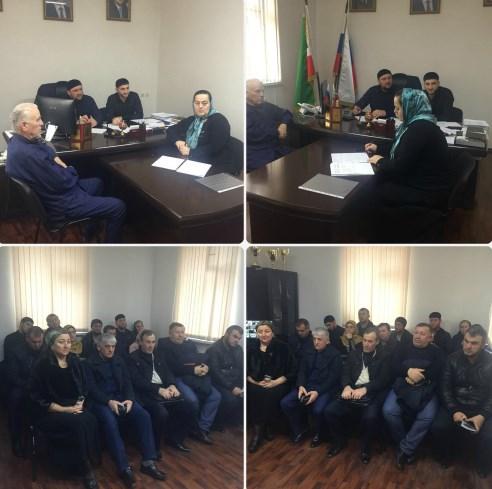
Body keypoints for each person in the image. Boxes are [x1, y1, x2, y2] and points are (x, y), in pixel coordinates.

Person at [6, 103, 126, 243]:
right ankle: (110, 250)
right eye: (38, 120)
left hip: (53, 195)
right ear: (24, 126)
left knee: (97, 183)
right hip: (62, 204)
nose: (42, 123)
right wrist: (69, 168)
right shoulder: (31, 155)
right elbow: (64, 182)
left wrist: (55, 158)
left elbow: (44, 147)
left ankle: (89, 230)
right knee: (118, 207)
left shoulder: (17, 141)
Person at [85, 333, 166, 487]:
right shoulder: (89, 363)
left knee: (143, 415)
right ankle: (123, 468)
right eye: (107, 346)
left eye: (113, 346)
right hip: (101, 401)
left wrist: (130, 399)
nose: (111, 350)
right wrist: (108, 402)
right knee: (110, 422)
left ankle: (148, 462)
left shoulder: (119, 360)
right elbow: (91, 389)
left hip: (122, 398)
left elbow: (128, 382)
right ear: (98, 347)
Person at [29, 331, 100, 489]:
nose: (66, 345)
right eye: (61, 342)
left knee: (90, 419)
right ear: (51, 345)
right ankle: (85, 469)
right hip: (50, 411)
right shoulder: (42, 365)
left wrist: (80, 403)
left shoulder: (74, 361)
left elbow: (84, 387)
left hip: (74, 406)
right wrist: (65, 409)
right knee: (78, 424)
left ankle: (85, 461)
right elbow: (37, 397)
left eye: (68, 341)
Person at [365, 89, 451, 214]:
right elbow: (402, 148)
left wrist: (380, 160)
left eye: (398, 108)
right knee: (378, 179)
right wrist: (378, 148)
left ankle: (377, 222)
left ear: (410, 107)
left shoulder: (418, 130)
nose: (394, 111)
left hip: (426, 191)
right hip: (424, 181)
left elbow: (400, 167)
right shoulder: (419, 123)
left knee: (371, 188)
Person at [431, 324, 492, 478]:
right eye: (466, 341)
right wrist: (454, 410)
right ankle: (446, 456)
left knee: (489, 436)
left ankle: (483, 464)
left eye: (474, 343)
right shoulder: (452, 359)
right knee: (438, 427)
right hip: (456, 404)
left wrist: (482, 415)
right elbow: (444, 388)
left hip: (482, 407)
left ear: (483, 344)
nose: (468, 346)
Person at [382, 323, 445, 470]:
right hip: (402, 385)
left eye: (422, 334)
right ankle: (407, 446)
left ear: (430, 338)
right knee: (388, 411)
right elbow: (393, 366)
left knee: (427, 416)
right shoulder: (401, 348)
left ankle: (405, 449)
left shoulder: (438, 352)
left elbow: (438, 372)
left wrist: (419, 377)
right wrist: (407, 372)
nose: (417, 336)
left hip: (426, 388)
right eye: (416, 332)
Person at [325, 327, 391, 463]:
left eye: (370, 341)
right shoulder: (354, 354)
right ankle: (339, 441)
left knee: (370, 418)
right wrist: (346, 386)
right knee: (330, 411)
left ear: (377, 342)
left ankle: (366, 448)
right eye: (364, 340)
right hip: (352, 390)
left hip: (371, 393)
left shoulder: (385, 356)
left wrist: (366, 389)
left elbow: (383, 379)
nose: (366, 344)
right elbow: (345, 373)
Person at [128, 330, 193, 455]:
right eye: (147, 342)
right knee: (161, 413)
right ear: (140, 342)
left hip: (163, 390)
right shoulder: (133, 358)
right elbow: (137, 381)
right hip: (145, 393)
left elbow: (167, 372)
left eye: (153, 342)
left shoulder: (158, 355)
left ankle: (175, 439)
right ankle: (154, 447)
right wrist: (159, 390)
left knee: (187, 406)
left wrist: (172, 385)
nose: (150, 345)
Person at [158, 322, 221, 445]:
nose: (180, 335)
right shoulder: (163, 345)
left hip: (193, 377)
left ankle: (202, 429)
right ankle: (192, 428)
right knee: (192, 401)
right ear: (170, 334)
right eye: (177, 332)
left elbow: (197, 358)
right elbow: (169, 367)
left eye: (182, 332)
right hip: (176, 378)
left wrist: (204, 367)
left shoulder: (189, 344)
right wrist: (192, 370)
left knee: (216, 396)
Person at [281, 328, 341, 448]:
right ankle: (298, 430)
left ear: (327, 341)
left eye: (319, 339)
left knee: (318, 410)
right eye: (314, 339)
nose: (316, 342)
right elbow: (302, 371)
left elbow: (333, 379)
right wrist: (301, 385)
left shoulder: (335, 355)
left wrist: (317, 392)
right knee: (286, 403)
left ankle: (319, 434)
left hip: (324, 388)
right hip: (306, 385)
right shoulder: (308, 351)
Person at [247, 321, 296, 453]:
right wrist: (256, 382)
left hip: (279, 382)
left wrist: (275, 382)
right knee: (255, 392)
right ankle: (258, 432)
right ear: (256, 334)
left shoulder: (283, 347)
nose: (264, 334)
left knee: (270, 394)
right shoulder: (250, 347)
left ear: (272, 333)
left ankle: (266, 427)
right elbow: (245, 371)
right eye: (260, 331)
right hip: (255, 382)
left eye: (267, 331)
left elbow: (292, 370)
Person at [166, 89, 231, 166]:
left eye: (204, 103)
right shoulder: (192, 119)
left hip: (211, 162)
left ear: (210, 104)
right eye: (197, 103)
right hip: (189, 159)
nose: (200, 106)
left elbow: (215, 147)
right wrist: (178, 141)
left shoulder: (219, 121)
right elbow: (171, 129)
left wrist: (190, 152)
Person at [6, 326, 44, 457]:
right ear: (27, 339)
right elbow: (13, 376)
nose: (37, 345)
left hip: (40, 385)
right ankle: (16, 440)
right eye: (34, 342)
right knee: (14, 400)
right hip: (22, 385)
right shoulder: (15, 351)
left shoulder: (46, 350)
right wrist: (29, 386)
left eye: (40, 342)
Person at [246, 78, 293, 171]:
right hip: (257, 153)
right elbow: (258, 136)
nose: (262, 95)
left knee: (298, 158)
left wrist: (283, 124)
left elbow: (286, 113)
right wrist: (277, 131)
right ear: (246, 93)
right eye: (257, 91)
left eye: (263, 91)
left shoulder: (266, 106)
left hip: (276, 148)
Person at [207, 325, 244, 427]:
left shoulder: (238, 349)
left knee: (245, 396)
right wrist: (232, 387)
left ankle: (234, 422)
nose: (237, 340)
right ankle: (217, 424)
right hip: (217, 382)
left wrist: (240, 386)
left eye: (239, 338)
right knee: (230, 399)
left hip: (232, 381)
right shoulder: (214, 349)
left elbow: (241, 369)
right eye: (234, 336)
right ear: (227, 334)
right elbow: (215, 373)